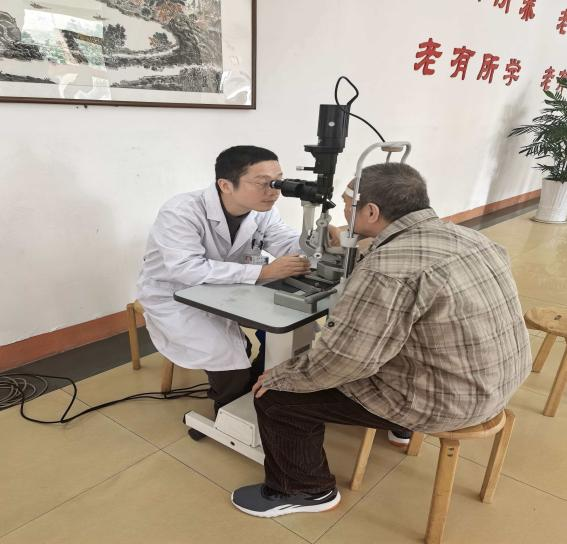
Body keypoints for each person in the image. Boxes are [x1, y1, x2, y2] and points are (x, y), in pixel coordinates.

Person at [231, 162, 532, 517]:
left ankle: (305, 490)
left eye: (348, 206)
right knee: (398, 341)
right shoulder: (472, 238)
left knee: (277, 397)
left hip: (447, 402)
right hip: (500, 381)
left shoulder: (387, 269)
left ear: (371, 212)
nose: (344, 214)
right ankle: (400, 429)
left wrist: (281, 375)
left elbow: (345, 361)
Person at [136, 146, 311, 439]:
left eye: (278, 181)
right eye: (263, 182)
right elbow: (186, 270)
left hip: (232, 288)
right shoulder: (181, 211)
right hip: (177, 295)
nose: (274, 191)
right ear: (226, 185)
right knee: (227, 354)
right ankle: (228, 411)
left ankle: (258, 385)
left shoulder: (263, 211)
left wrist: (319, 239)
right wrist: (263, 273)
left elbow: (286, 242)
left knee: (291, 330)